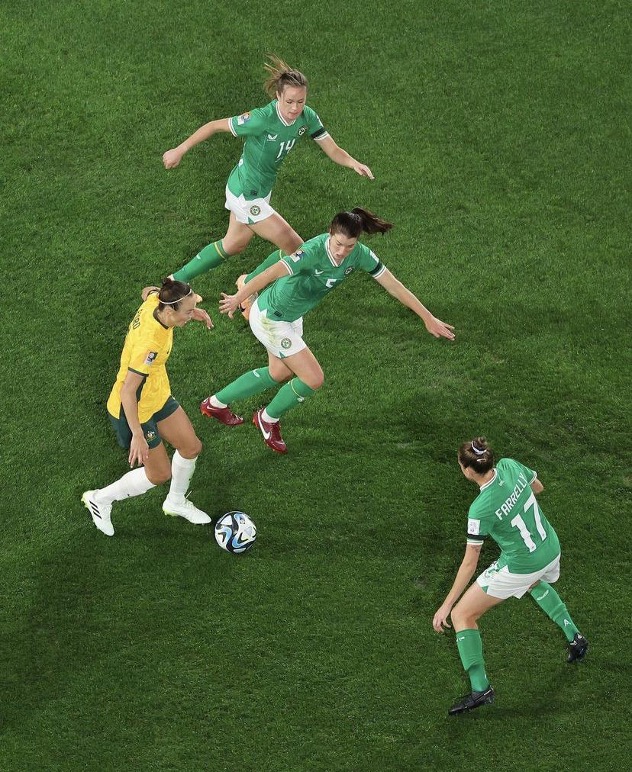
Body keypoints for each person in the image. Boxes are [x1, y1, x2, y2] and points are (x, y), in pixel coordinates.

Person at [199, 208, 455, 454]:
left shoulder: (361, 255)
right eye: (338, 244)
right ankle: (267, 418)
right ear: (330, 232)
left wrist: (428, 317)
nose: (343, 251)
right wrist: (239, 297)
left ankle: (215, 403)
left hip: (291, 317)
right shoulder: (311, 252)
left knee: (278, 372)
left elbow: (394, 286)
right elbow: (270, 273)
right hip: (271, 318)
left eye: (349, 246)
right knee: (313, 378)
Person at [162, 54, 374, 287]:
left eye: (301, 101)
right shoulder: (261, 119)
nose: (295, 108)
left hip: (261, 190)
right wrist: (178, 150)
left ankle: (174, 280)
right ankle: (249, 285)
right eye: (289, 101)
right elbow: (214, 126)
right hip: (245, 193)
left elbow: (332, 150)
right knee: (296, 249)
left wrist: (353, 162)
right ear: (278, 96)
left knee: (234, 244)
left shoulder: (307, 117)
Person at [432, 437, 589, 716]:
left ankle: (481, 689)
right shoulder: (510, 465)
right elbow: (537, 488)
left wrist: (445, 605)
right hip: (550, 548)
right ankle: (575, 637)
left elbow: (469, 564)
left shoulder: (480, 509)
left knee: (461, 616)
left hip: (523, 563)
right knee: (534, 582)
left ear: (468, 470)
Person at [82, 279, 214, 536]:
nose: (191, 314)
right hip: (133, 409)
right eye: (187, 311)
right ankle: (100, 499)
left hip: (157, 395)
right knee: (159, 474)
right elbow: (128, 391)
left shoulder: (157, 301)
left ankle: (175, 502)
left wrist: (191, 312)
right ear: (169, 311)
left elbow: (148, 291)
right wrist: (138, 436)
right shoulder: (149, 345)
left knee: (191, 447)